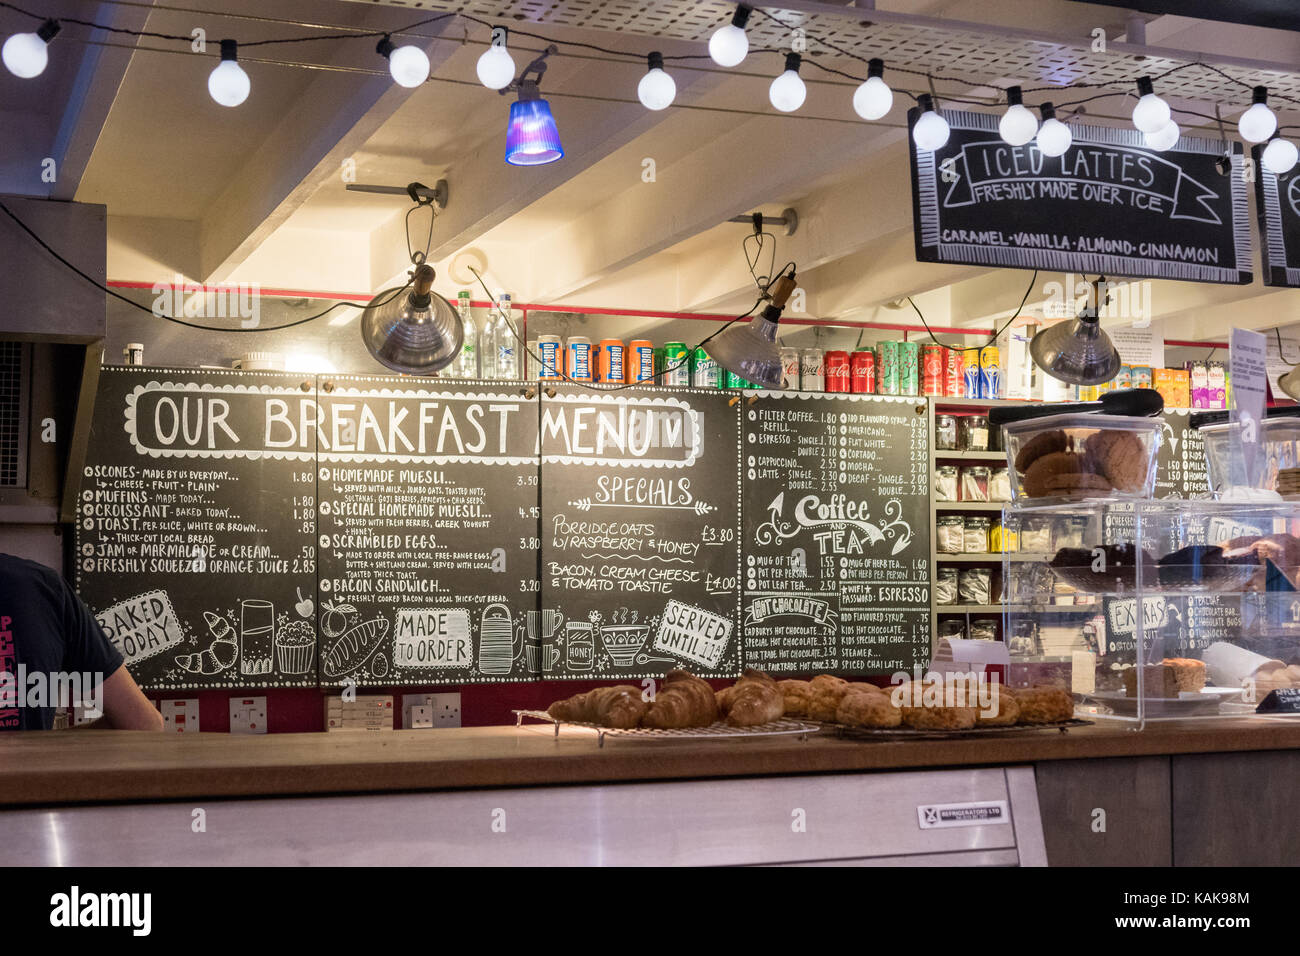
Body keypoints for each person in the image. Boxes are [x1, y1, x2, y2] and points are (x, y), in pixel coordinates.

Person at [0, 552, 162, 731]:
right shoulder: (37, 587)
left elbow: (143, 724)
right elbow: (143, 724)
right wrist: (40, 747)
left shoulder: (40, 589)